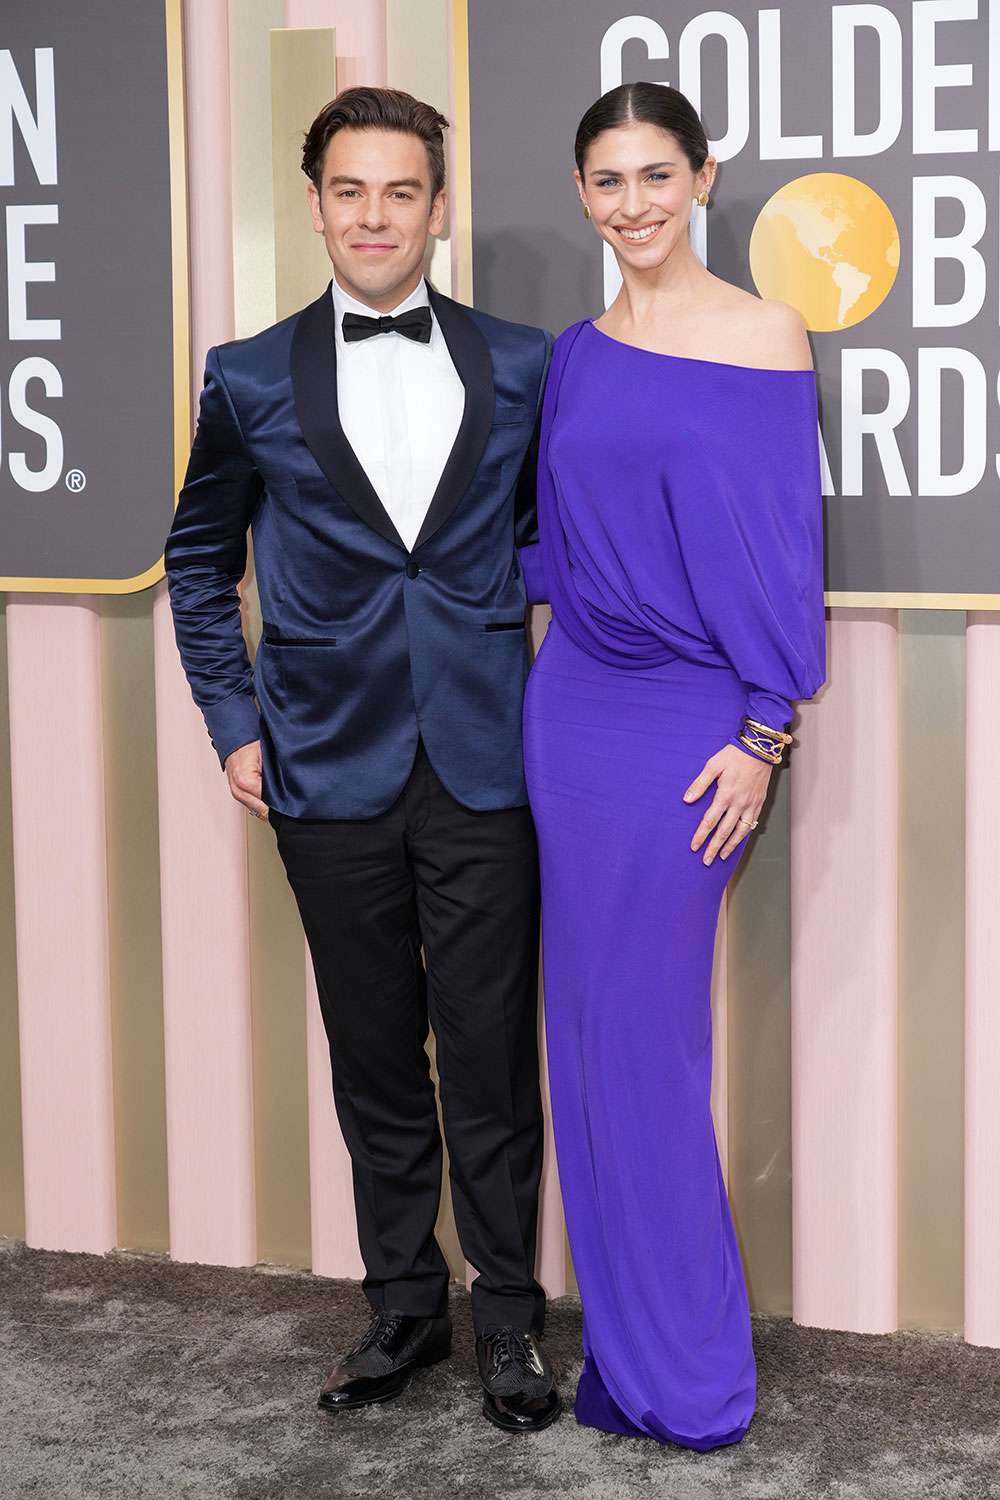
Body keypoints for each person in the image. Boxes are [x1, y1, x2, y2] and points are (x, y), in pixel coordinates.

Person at [164, 86, 561, 1435]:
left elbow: (551, 538)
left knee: (495, 1054)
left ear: (437, 208)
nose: (377, 215)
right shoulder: (250, 372)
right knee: (376, 1052)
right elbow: (198, 560)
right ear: (317, 203)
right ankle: (404, 1302)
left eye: (402, 191)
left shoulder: (522, 362)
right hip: (323, 771)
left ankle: (508, 1318)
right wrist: (234, 724)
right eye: (351, 191)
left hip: (490, 761)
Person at [519, 81, 825, 1451]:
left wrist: (765, 731)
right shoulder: (576, 354)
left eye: (656, 174)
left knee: (644, 1040)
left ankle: (691, 1373)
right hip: (572, 713)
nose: (633, 204)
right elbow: (560, 548)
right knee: (584, 1034)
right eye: (607, 181)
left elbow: (779, 551)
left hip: (693, 731)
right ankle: (631, 1359)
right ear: (580, 195)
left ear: (704, 177)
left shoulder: (766, 332)